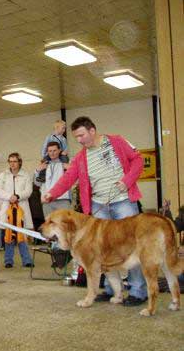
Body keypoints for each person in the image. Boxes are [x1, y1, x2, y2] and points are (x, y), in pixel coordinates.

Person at [42, 116, 147, 306]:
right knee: (101, 251)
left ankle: (138, 291)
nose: (80, 140)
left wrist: (127, 181)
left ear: (92, 130)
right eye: (76, 137)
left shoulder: (117, 141)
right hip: (99, 205)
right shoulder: (81, 157)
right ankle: (110, 289)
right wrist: (52, 193)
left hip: (123, 201)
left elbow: (138, 161)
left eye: (82, 135)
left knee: (131, 246)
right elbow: (69, 178)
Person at [0, 152, 34, 268]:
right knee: (9, 234)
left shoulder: (26, 175)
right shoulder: (3, 175)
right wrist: (9, 197)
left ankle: (27, 260)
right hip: (8, 207)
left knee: (22, 234)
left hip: (21, 207)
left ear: (19, 162)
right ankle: (8, 260)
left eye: (14, 161)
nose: (12, 164)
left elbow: (28, 191)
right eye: (10, 161)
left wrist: (17, 196)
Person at [34, 142, 71, 218]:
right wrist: (37, 171)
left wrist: (70, 168)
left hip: (63, 200)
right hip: (47, 200)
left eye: (54, 150)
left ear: (59, 150)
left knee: (65, 226)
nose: (52, 153)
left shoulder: (66, 164)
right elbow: (37, 184)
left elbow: (75, 178)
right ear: (47, 152)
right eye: (50, 151)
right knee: (49, 227)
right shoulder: (43, 165)